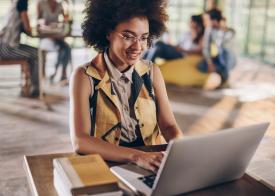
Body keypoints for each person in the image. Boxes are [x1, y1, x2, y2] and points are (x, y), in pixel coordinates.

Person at [70, 0, 183, 172]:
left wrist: (181, 150)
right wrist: (137, 156)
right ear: (108, 33)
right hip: (109, 162)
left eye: (143, 38)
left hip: (152, 162)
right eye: (128, 36)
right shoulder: (84, 77)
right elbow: (81, 141)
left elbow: (168, 126)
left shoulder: (152, 72)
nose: (137, 47)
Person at [0, 0, 39, 97]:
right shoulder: (22, 2)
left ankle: (30, 86)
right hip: (8, 48)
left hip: (3, 45)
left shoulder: (14, 3)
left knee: (33, 53)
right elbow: (28, 28)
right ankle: (36, 88)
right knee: (37, 53)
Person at [199, 8, 236, 83]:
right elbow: (206, 48)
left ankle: (224, 75)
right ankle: (223, 74)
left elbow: (222, 42)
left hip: (228, 59)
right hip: (219, 59)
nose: (204, 23)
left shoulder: (230, 31)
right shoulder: (209, 30)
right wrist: (210, 63)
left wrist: (221, 27)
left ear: (214, 21)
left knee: (225, 51)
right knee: (201, 66)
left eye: (206, 20)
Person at [37, 0, 71, 82]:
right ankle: (51, 74)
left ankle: (62, 74)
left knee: (67, 48)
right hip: (45, 38)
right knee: (61, 49)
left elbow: (66, 20)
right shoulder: (41, 4)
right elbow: (38, 21)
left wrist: (67, 5)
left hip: (57, 37)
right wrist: (43, 24)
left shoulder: (59, 5)